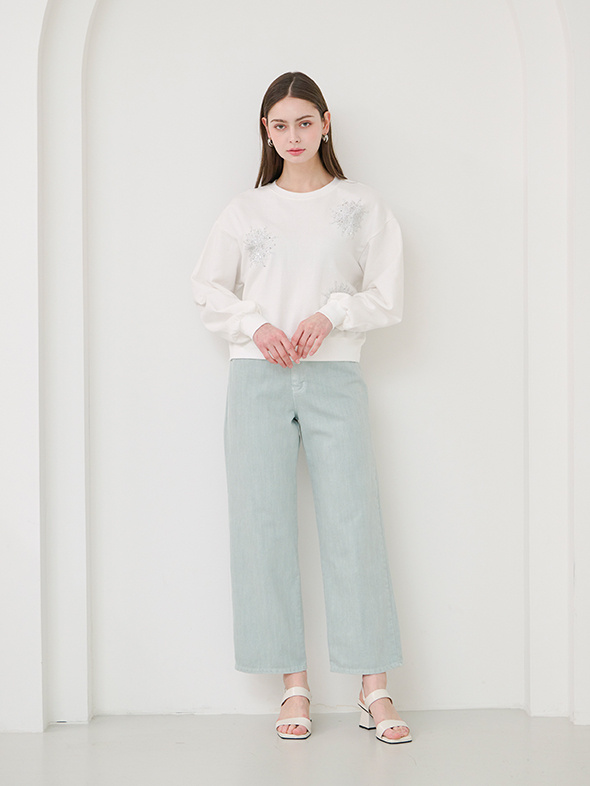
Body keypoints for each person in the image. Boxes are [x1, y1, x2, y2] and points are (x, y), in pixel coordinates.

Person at [191, 72, 411, 744]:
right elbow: (207, 288)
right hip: (257, 376)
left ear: (325, 123)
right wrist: (255, 326)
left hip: (334, 374)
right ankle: (294, 685)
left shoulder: (361, 204)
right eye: (280, 125)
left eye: (304, 123)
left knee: (353, 523)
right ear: (266, 130)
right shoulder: (245, 211)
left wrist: (330, 314)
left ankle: (374, 688)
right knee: (261, 526)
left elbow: (387, 295)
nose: (293, 136)